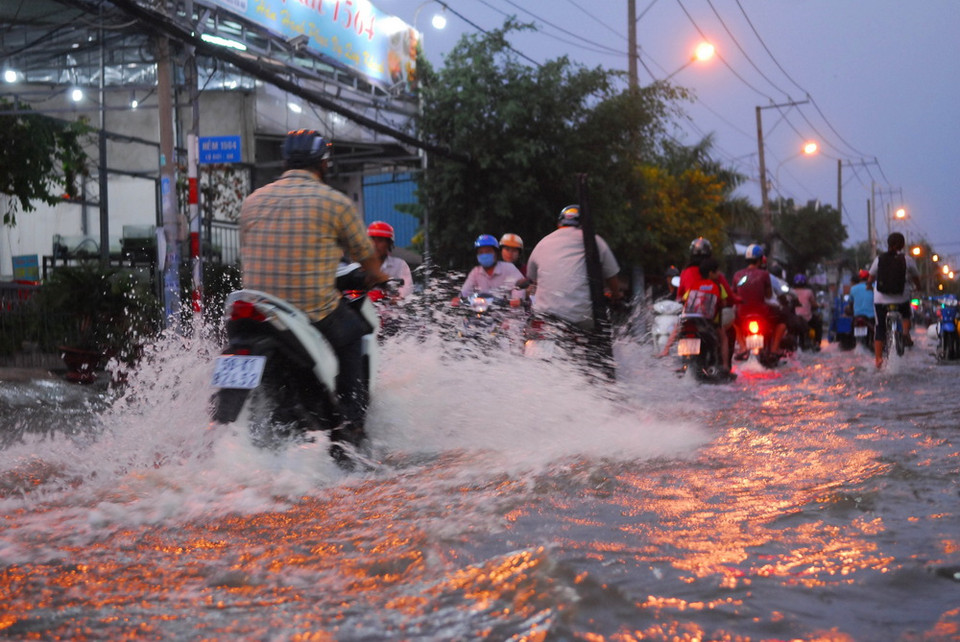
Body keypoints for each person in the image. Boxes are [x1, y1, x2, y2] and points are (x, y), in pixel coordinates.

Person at [239, 129, 389, 446]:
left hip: (255, 307)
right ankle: (350, 423)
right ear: (323, 163)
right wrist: (378, 277)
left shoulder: (252, 201)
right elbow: (367, 258)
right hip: (309, 308)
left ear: (285, 161)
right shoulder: (335, 202)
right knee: (354, 335)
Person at [525, 204, 622, 330]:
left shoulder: (543, 242)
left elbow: (533, 278)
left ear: (559, 223)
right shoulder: (593, 240)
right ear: (584, 223)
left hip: (544, 316)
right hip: (580, 319)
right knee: (601, 334)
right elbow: (612, 276)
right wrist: (616, 296)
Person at [659, 257, 730, 374]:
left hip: (690, 323)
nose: (718, 274)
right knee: (723, 337)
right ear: (711, 273)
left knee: (679, 325)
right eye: (717, 271)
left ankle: (666, 349)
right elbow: (724, 303)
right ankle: (726, 366)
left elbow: (683, 299)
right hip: (708, 324)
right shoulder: (718, 286)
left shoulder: (694, 285)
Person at [867, 232, 922, 368]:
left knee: (879, 328)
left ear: (888, 244)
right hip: (900, 298)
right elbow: (916, 277)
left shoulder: (879, 259)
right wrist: (918, 287)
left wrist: (869, 286)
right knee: (906, 314)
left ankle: (878, 359)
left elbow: (870, 278)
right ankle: (904, 332)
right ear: (902, 246)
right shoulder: (907, 260)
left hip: (880, 299)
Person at [733, 244, 787, 358]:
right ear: (760, 259)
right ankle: (774, 349)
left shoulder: (737, 275)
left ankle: (742, 347)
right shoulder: (764, 274)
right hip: (763, 313)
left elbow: (734, 294)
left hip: (742, 314)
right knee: (782, 322)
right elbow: (768, 296)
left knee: (733, 323)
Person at [457, 234, 525, 304]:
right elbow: (465, 292)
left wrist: (516, 299)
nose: (484, 255)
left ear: (496, 253)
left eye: (488, 251)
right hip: (483, 310)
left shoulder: (509, 268)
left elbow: (518, 288)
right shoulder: (475, 272)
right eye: (481, 252)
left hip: (507, 311)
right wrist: (458, 299)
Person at [367, 220, 414, 298]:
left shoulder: (400, 265)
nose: (374, 245)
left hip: (391, 308)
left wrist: (397, 297)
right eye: (371, 240)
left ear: (389, 244)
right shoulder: (358, 266)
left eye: (380, 241)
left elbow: (407, 289)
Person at [792, 273, 822, 349]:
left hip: (793, 318)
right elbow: (814, 304)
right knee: (818, 324)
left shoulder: (791, 291)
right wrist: (820, 305)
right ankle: (817, 343)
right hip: (807, 318)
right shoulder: (809, 292)